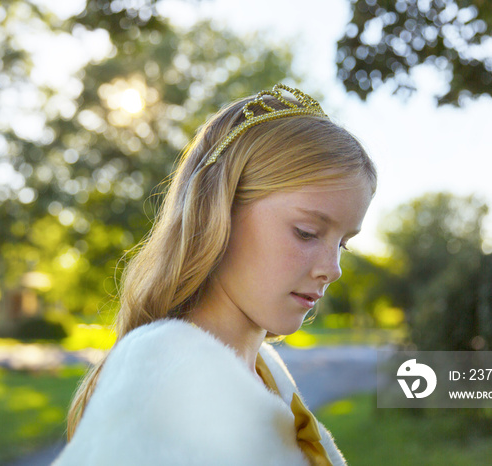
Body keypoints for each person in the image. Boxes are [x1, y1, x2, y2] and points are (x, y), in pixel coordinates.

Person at [54, 83, 377, 466]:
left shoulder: (266, 371)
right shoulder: (165, 379)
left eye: (343, 244)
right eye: (307, 232)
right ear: (219, 211)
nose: (333, 269)